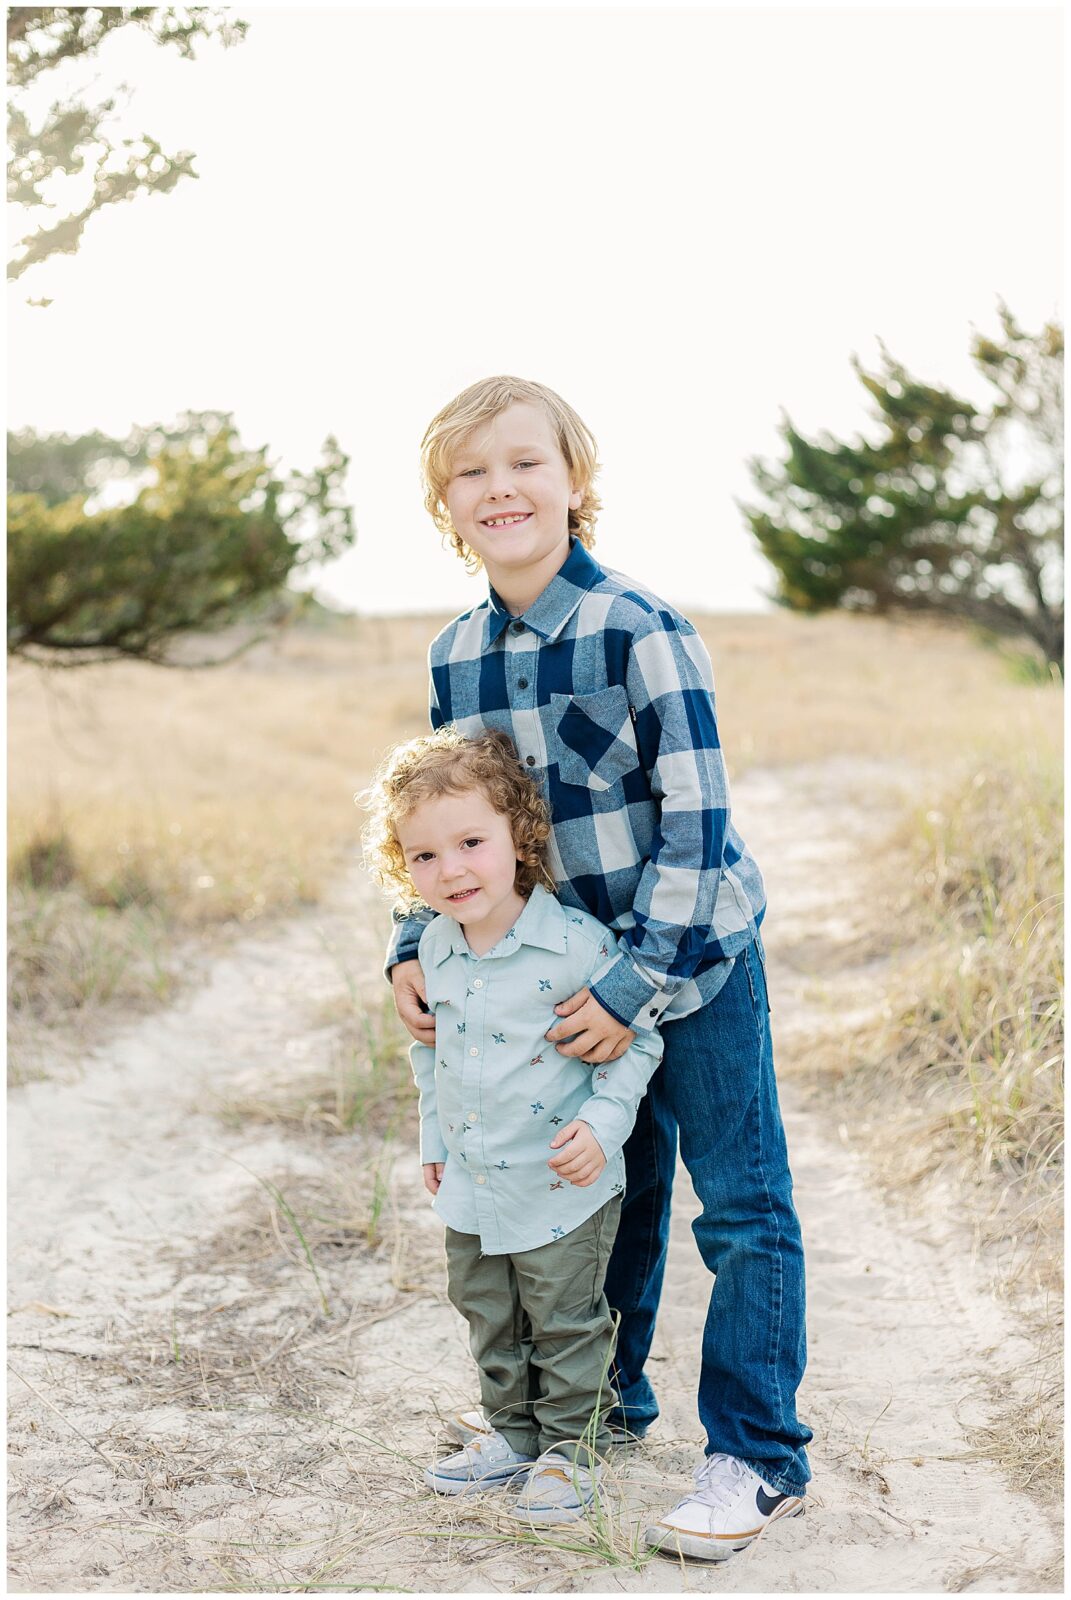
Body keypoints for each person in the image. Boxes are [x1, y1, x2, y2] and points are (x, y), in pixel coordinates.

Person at [385, 375, 813, 1563]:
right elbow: (450, 819)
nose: (501, 487)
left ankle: (758, 1452)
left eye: (526, 462)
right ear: (446, 503)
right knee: (594, 1195)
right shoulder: (457, 653)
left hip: (690, 965)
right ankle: (595, 1418)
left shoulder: (642, 628)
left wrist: (632, 993)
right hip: (553, 983)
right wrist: (406, 947)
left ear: (575, 481)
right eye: (472, 472)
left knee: (739, 1204)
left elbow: (697, 827)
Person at [361, 725, 662, 1526]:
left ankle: (573, 1449)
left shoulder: (570, 944)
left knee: (564, 1319)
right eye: (423, 856)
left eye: (470, 842)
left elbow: (638, 1042)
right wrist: (434, 1142)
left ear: (518, 838)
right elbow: (431, 1054)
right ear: (401, 865)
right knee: (487, 1310)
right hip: (472, 1177)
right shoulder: (433, 947)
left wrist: (601, 1125)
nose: (450, 869)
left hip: (560, 1180)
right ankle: (512, 1435)